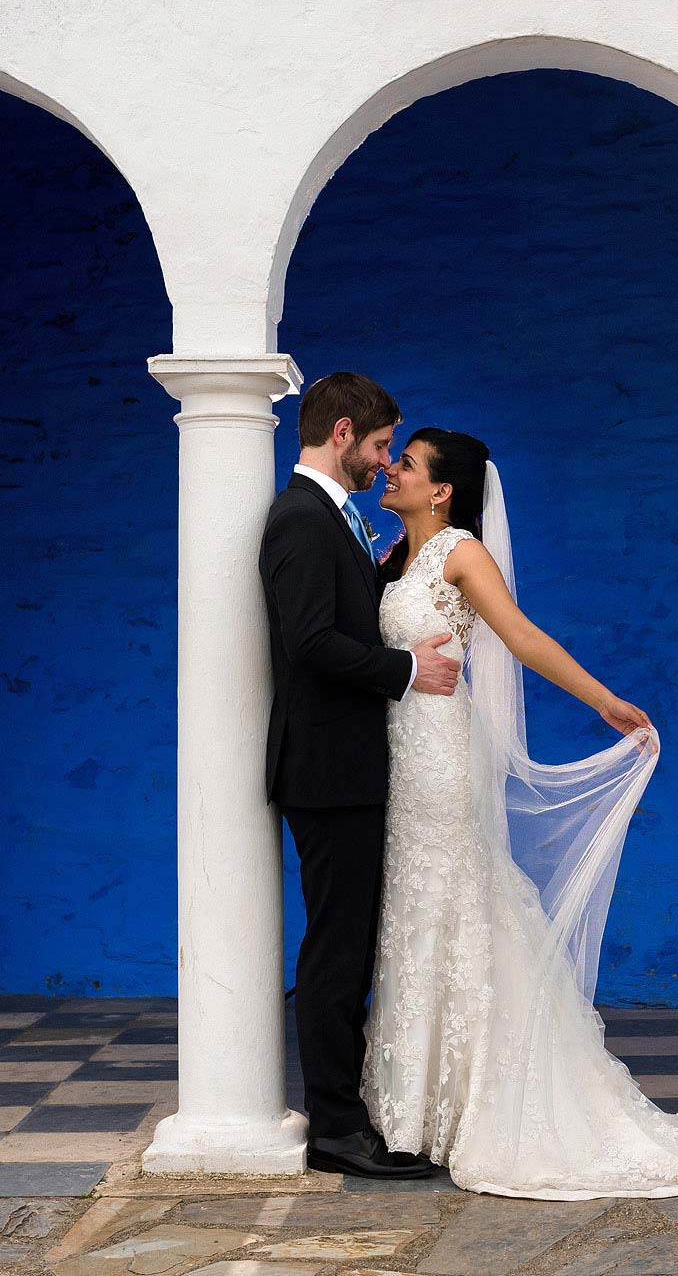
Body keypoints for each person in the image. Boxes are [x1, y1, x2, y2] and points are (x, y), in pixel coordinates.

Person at [361, 426, 678, 1198]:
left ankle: (477, 1104)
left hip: (440, 756)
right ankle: (417, 1107)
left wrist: (607, 703)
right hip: (399, 752)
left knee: (453, 901)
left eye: (407, 463)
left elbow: (521, 636)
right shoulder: (390, 554)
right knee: (413, 910)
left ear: (443, 489)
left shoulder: (460, 552)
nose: (390, 469)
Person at [256, 372, 459, 1179]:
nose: (383, 464)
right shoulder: (301, 519)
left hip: (347, 770)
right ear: (341, 433)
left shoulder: (330, 521)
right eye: (379, 447)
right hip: (327, 772)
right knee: (336, 953)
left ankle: (349, 1113)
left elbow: (338, 613)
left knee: (350, 945)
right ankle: (336, 1128)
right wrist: (406, 668)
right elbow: (309, 643)